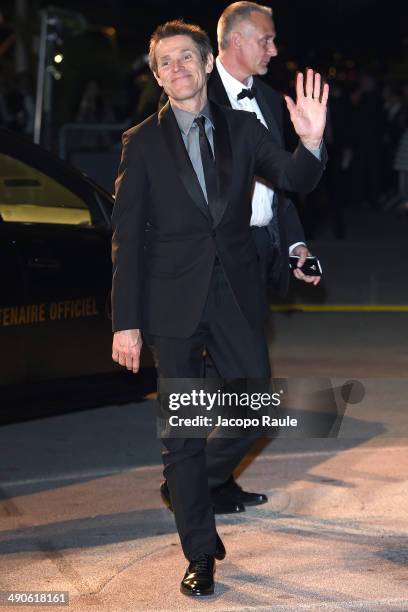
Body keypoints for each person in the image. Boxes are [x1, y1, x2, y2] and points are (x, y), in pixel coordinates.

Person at [111, 19, 328, 597]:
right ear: (157, 76)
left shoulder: (244, 128)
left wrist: (310, 142)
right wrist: (125, 322)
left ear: (208, 63)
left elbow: (292, 179)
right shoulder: (143, 142)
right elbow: (127, 240)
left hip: (234, 292)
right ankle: (200, 552)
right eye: (165, 63)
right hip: (169, 304)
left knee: (257, 402)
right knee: (181, 434)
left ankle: (192, 485)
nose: (177, 68)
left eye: (187, 57)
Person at [159, 2, 322, 517]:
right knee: (212, 385)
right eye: (267, 40)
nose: (275, 50)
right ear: (235, 42)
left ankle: (211, 480)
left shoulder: (271, 102)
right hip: (197, 264)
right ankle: (197, 481)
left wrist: (295, 245)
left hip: (255, 252)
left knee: (246, 385)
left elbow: (284, 186)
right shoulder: (187, 101)